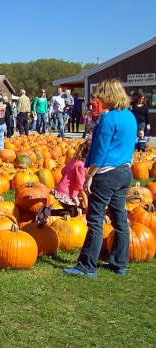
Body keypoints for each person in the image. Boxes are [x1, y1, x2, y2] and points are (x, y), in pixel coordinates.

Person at [64, 79, 137, 277]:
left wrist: (89, 176)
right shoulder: (130, 116)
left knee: (95, 219)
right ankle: (119, 263)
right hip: (124, 172)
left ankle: (86, 266)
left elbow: (100, 151)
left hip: (106, 173)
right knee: (119, 217)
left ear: (109, 95)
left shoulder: (109, 119)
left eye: (100, 94)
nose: (97, 98)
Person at [37, 141, 89, 225]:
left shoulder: (74, 160)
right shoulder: (81, 165)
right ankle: (46, 212)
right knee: (72, 213)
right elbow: (80, 184)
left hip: (61, 189)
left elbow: (63, 171)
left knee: (73, 210)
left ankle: (47, 211)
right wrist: (85, 198)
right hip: (66, 193)